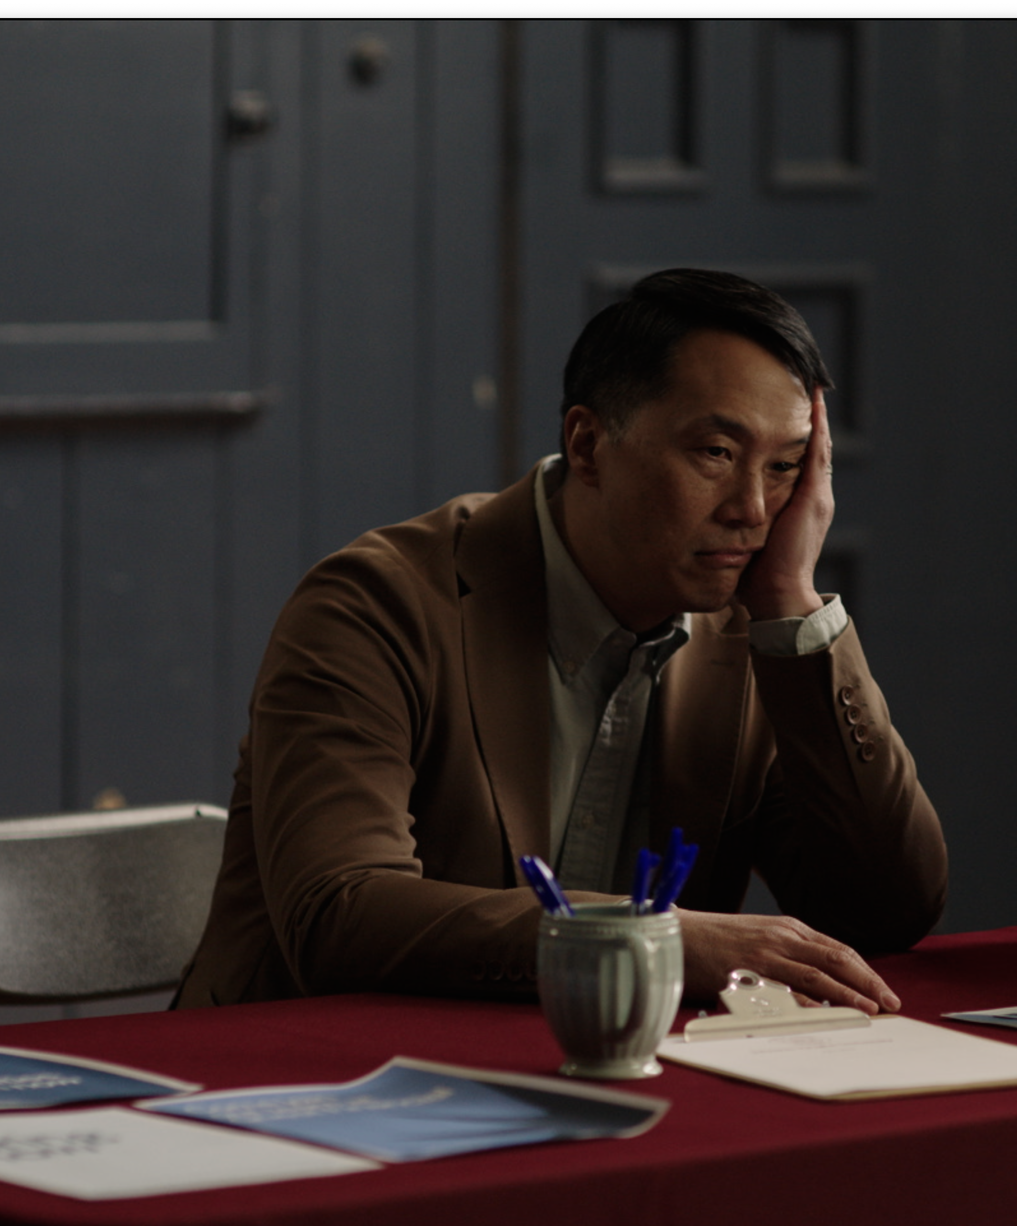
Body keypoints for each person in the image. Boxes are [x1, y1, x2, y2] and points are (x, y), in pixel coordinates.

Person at [174, 269, 946, 1013]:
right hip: (306, 1085)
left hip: (615, 1074)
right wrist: (655, 940)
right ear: (587, 445)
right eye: (715, 454)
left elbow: (884, 910)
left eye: (784, 467)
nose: (752, 507)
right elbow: (339, 914)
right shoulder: (374, 605)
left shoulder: (758, 634)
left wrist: (793, 609)